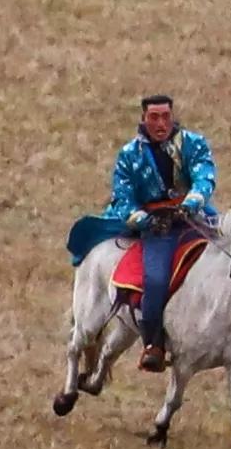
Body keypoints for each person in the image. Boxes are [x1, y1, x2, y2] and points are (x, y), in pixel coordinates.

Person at [73, 90, 219, 346]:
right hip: (158, 226)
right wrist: (144, 221)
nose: (161, 124)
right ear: (144, 119)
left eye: (165, 117)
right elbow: (123, 197)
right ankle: (154, 343)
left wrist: (192, 202)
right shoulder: (130, 155)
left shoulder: (193, 144)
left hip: (195, 217)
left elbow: (204, 177)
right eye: (154, 117)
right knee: (155, 279)